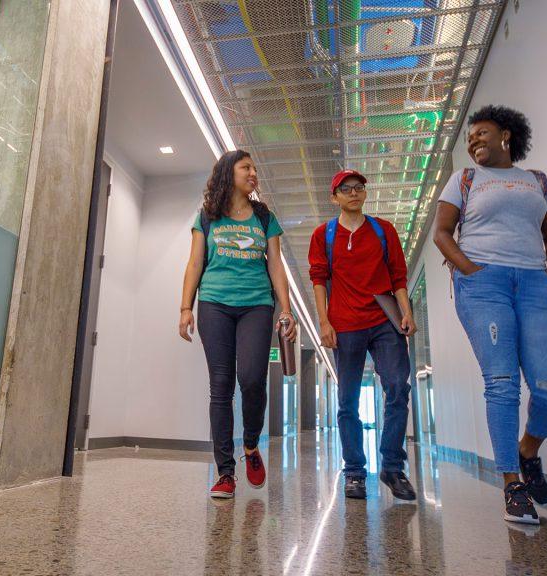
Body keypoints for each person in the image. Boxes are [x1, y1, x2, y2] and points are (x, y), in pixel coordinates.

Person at [433, 104, 547, 525]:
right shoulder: (465, 179)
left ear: (506, 135)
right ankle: (512, 483)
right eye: (470, 137)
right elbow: (441, 232)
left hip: (533, 284)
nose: (474, 140)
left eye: (481, 133)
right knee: (503, 382)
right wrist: (470, 269)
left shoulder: (538, 181)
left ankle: (528, 450)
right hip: (484, 285)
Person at [178, 149, 297, 499]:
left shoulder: (263, 217)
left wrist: (286, 310)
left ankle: (250, 444)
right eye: (247, 167)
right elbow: (194, 262)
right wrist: (186, 307)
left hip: (257, 305)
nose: (253, 173)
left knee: (251, 378)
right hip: (214, 303)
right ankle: (225, 473)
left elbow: (276, 265)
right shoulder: (208, 216)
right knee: (221, 386)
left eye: (254, 168)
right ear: (230, 173)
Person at [308, 169, 417, 501]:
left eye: (359, 188)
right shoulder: (323, 235)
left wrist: (406, 311)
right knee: (347, 401)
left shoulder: (383, 230)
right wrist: (324, 323)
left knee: (398, 387)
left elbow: (398, 275)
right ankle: (354, 471)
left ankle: (392, 467)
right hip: (346, 324)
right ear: (335, 197)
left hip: (385, 321)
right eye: (346, 189)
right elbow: (318, 279)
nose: (354, 193)